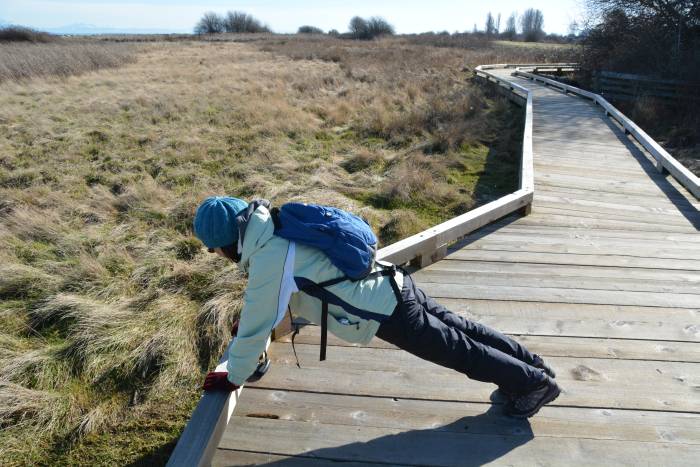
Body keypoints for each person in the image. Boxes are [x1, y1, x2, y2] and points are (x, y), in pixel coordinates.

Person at [195, 196, 561, 418]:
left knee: (459, 351)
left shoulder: (268, 257)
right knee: (464, 331)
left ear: (229, 242)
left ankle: (532, 384)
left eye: (214, 249)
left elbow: (260, 318)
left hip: (384, 309)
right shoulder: (276, 226)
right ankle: (531, 366)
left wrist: (232, 376)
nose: (217, 256)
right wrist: (253, 328)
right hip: (393, 280)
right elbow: (288, 296)